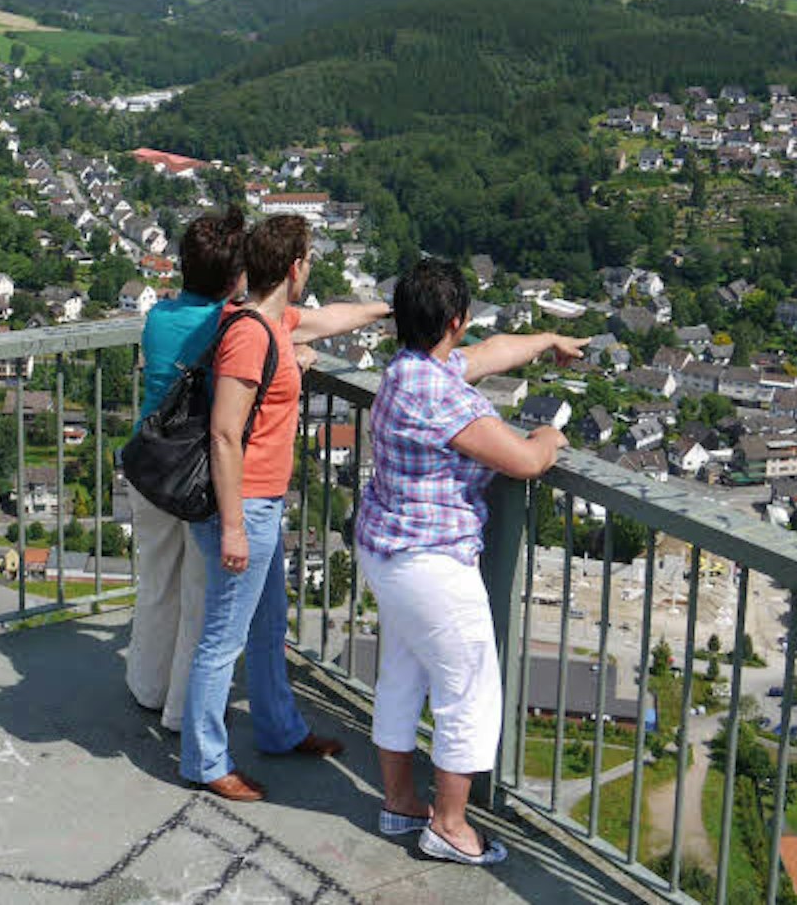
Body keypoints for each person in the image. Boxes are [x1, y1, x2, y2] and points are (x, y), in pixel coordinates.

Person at [353, 257, 583, 865]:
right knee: (469, 691)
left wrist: (549, 339)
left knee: (403, 675)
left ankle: (401, 803)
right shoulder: (440, 395)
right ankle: (450, 826)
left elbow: (491, 353)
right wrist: (550, 438)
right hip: (431, 565)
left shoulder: (408, 369)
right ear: (456, 319)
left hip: (387, 550)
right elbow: (526, 462)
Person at [179, 215, 392, 801]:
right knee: (222, 639)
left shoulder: (272, 322)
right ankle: (204, 760)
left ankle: (278, 730)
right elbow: (225, 435)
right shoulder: (251, 334)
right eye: (309, 262)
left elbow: (329, 319)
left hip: (262, 507)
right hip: (242, 508)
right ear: (295, 268)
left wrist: (385, 308)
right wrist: (231, 528)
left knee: (270, 627)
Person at [125, 206, 247, 732]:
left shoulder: (158, 317)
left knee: (156, 584)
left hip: (150, 466)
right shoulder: (230, 327)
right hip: (199, 476)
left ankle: (146, 686)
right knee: (200, 599)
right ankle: (180, 711)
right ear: (235, 277)